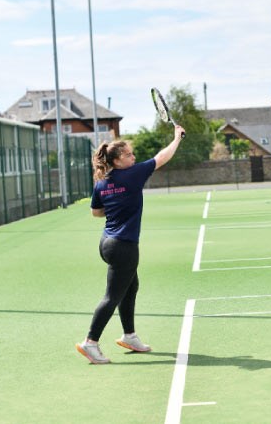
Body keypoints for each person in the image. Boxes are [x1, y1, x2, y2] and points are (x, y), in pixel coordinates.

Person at [76, 124, 185, 364]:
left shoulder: (102, 182)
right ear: (116, 160)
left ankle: (129, 335)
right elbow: (162, 157)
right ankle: (90, 342)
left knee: (130, 287)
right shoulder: (133, 174)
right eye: (128, 154)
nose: (133, 157)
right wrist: (176, 138)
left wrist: (117, 204)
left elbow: (96, 212)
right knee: (112, 296)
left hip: (107, 243)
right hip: (124, 246)